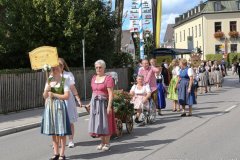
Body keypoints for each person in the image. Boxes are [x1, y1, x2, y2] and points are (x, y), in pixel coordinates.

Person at [41, 65, 71, 160]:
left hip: (59, 107)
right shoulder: (49, 80)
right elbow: (45, 96)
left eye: (56, 69)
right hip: (50, 106)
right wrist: (47, 90)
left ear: (61, 69)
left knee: (61, 132)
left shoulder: (64, 80)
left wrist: (54, 94)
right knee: (53, 131)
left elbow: (66, 96)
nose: (54, 70)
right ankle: (56, 153)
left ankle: (62, 154)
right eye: (53, 69)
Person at [88, 60, 116, 151]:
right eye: (96, 67)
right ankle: (102, 142)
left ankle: (107, 143)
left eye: (100, 67)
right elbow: (93, 92)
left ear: (104, 68)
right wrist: (90, 103)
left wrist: (109, 106)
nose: (98, 69)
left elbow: (111, 94)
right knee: (98, 123)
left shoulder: (108, 79)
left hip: (104, 103)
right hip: (95, 103)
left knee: (105, 123)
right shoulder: (93, 78)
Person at [58, 58, 82, 148]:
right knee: (59, 122)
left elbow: (72, 87)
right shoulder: (52, 75)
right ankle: (59, 141)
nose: (58, 67)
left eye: (60, 65)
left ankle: (71, 140)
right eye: (57, 65)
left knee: (69, 121)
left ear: (63, 66)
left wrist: (78, 98)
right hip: (57, 100)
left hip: (68, 100)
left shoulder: (68, 75)